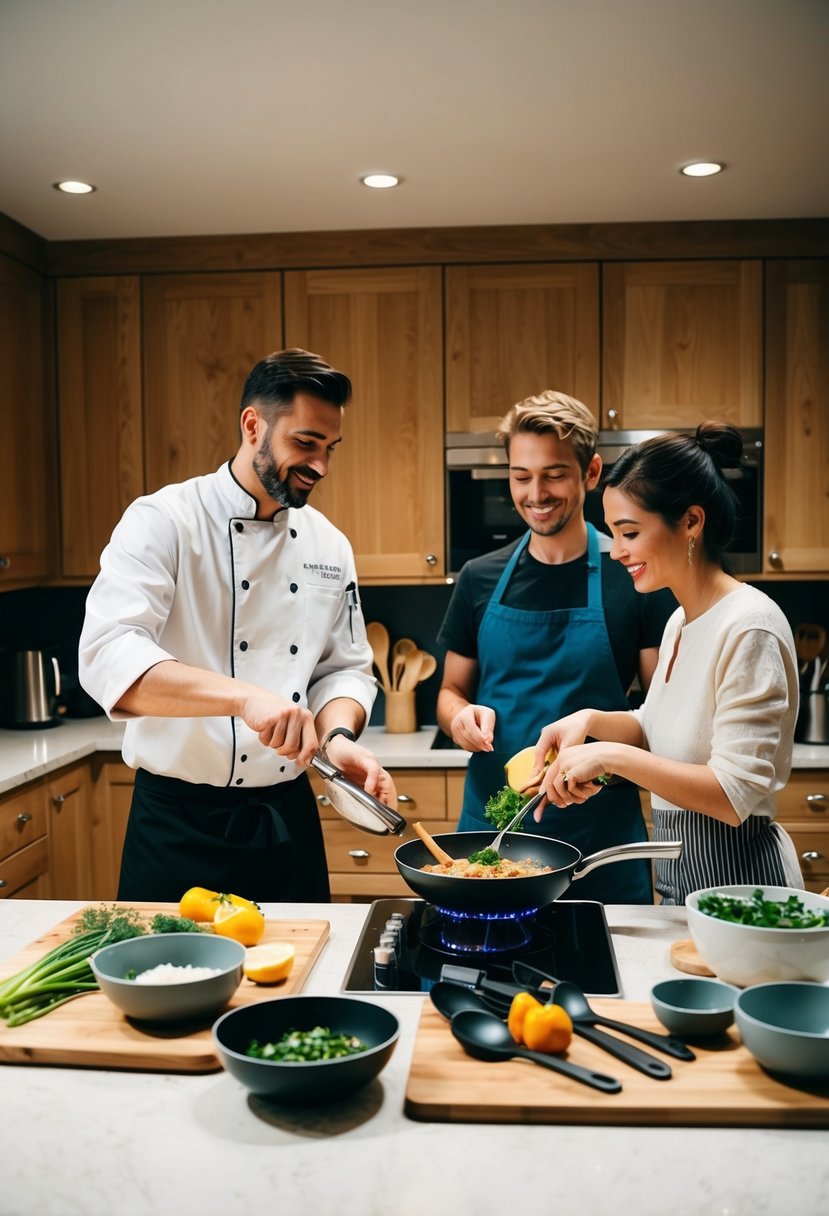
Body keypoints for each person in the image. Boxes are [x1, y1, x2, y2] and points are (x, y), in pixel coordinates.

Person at [79, 348, 396, 903]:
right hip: (177, 826)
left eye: (329, 448)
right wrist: (245, 698)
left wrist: (337, 736)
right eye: (304, 443)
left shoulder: (329, 543)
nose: (320, 465)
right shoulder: (164, 521)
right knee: (167, 983)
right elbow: (111, 658)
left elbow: (345, 670)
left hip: (286, 823)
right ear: (254, 426)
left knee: (301, 983)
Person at [530, 421, 803, 905]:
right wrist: (588, 721)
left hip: (746, 894)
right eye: (613, 533)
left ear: (691, 522)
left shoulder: (749, 626)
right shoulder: (680, 620)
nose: (617, 551)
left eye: (630, 532)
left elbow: (732, 793)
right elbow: (660, 727)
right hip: (685, 891)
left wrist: (611, 757)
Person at [436, 390, 676, 903]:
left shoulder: (632, 575)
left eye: (554, 474)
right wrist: (458, 717)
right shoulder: (479, 578)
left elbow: (663, 719)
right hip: (493, 833)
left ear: (591, 473)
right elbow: (451, 690)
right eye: (521, 476)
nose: (535, 492)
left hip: (601, 842)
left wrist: (604, 758)